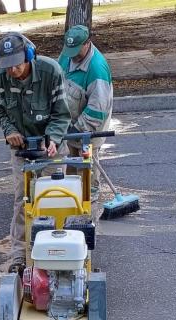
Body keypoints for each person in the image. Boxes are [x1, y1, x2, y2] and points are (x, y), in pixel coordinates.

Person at [0, 33, 71, 270]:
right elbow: (0, 110)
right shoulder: (1, 78)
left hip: (51, 149)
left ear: (28, 55)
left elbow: (61, 113)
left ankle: (57, 252)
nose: (12, 71)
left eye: (17, 64)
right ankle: (19, 256)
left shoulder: (51, 71)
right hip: (22, 151)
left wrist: (54, 138)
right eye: (7, 66)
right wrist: (9, 130)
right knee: (23, 201)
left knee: (55, 198)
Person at [58, 25, 113, 202]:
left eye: (76, 51)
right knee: (72, 163)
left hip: (89, 125)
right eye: (70, 51)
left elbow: (97, 111)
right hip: (70, 119)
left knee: (86, 161)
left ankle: (90, 194)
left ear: (87, 43)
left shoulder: (97, 69)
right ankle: (72, 194)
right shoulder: (68, 54)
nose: (72, 55)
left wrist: (77, 131)